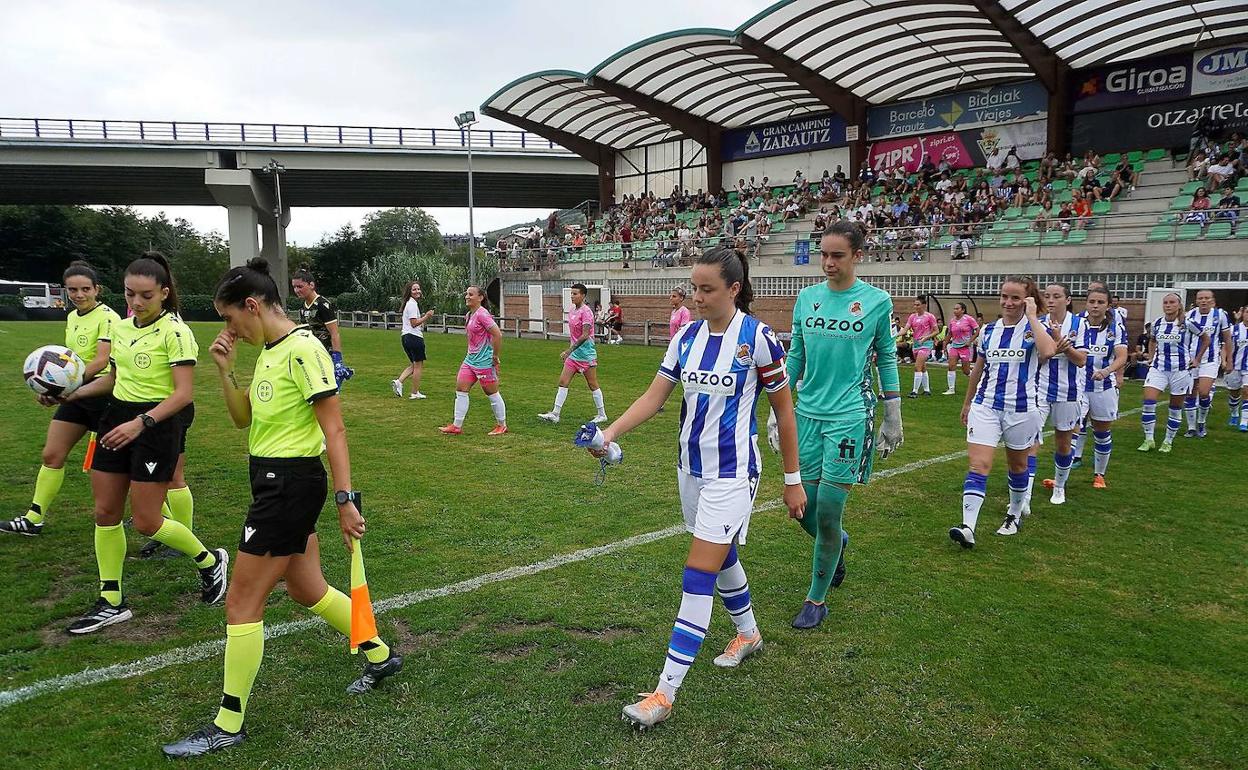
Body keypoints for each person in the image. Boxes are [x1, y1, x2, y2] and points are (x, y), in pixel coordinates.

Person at [162, 258, 402, 758]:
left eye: (231, 319)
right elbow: (240, 418)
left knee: (241, 603)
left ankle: (228, 724)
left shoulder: (302, 349)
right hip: (272, 482)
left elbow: (334, 429)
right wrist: (226, 372)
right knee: (305, 587)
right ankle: (378, 655)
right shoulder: (269, 351)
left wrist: (345, 499)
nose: (230, 330)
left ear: (252, 306)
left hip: (289, 487)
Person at [589, 245, 805, 729]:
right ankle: (748, 635)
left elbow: (784, 413)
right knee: (721, 553)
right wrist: (610, 434)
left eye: (707, 289)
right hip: (689, 469)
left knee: (697, 572)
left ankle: (664, 694)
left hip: (733, 474)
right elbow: (655, 397)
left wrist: (791, 480)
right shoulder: (685, 335)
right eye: (694, 287)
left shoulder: (761, 339)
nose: (697, 296)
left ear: (734, 289)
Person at [57, 253, 227, 633]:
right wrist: (71, 393)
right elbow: (113, 379)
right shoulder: (120, 328)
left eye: (145, 295)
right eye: (129, 294)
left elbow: (183, 394)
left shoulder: (175, 331)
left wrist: (142, 422)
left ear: (164, 293)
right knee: (105, 512)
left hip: (156, 424)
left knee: (148, 522)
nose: (135, 302)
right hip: (116, 418)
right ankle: (112, 599)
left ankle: (210, 560)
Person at [767, 221, 903, 628]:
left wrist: (892, 411)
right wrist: (779, 411)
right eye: (823, 254)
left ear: (857, 255)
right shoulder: (807, 298)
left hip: (850, 415)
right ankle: (837, 544)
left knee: (828, 509)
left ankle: (816, 598)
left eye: (837, 255)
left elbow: (887, 356)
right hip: (806, 414)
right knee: (801, 507)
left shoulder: (877, 301)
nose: (827, 263)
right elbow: (795, 358)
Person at [3, 261, 120, 536]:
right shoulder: (72, 317)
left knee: (126, 464)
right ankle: (34, 518)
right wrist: (54, 388)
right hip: (77, 394)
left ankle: (164, 521)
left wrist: (66, 388)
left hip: (104, 394)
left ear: (97, 289)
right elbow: (68, 360)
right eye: (73, 290)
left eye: (85, 289)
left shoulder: (108, 318)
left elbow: (102, 360)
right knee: (52, 454)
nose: (79, 295)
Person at [951, 276, 1055, 546]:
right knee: (979, 464)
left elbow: (1048, 352)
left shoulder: (1037, 328)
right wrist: (967, 402)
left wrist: (1032, 315)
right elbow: (978, 369)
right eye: (1004, 297)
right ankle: (968, 527)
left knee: (1018, 466)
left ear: (1027, 300)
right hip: (986, 406)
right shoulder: (988, 330)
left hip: (1022, 409)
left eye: (1015, 298)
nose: (1008, 303)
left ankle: (1014, 513)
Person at [1034, 284, 1088, 507]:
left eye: (1057, 296)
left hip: (1069, 391)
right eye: (1047, 296)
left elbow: (1081, 359)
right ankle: (1024, 492)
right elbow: (1036, 359)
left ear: (1067, 300)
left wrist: (1065, 347)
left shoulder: (1079, 323)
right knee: (1030, 439)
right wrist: (1054, 348)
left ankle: (1059, 486)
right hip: (1039, 389)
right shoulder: (1036, 324)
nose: (1051, 300)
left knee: (1063, 442)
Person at [1138, 293, 1211, 454]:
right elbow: (1152, 340)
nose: (1168, 305)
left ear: (1179, 305)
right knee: (1148, 402)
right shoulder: (1157, 323)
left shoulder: (1188, 323)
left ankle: (1168, 441)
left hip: (1181, 370)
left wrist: (1197, 359)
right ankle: (1149, 439)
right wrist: (1151, 358)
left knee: (1175, 407)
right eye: (1165, 302)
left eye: (1172, 302)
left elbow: (1206, 339)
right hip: (1159, 368)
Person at [1076, 287, 1129, 488]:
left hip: (1104, 386)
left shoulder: (1115, 328)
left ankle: (1099, 474)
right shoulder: (1077, 324)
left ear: (1108, 305)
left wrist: (1107, 371)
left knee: (1101, 431)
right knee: (1073, 428)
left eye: (1100, 302)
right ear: (1086, 303)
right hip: (1079, 386)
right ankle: (1062, 478)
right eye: (1092, 302)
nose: (1095, 306)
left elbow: (1122, 356)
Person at [439, 286, 507, 436]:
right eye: (466, 294)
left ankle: (501, 425)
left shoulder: (483, 315)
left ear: (481, 297)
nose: (467, 297)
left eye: (471, 294)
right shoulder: (469, 315)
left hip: (484, 362)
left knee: (492, 393)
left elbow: (498, 335)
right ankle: (457, 426)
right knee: (461, 389)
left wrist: (494, 357)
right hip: (470, 360)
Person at [538, 283, 607, 425]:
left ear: (583, 295)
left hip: (586, 354)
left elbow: (585, 335)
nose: (572, 296)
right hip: (574, 355)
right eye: (571, 293)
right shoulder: (571, 310)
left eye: (575, 294)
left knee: (592, 384)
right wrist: (571, 352)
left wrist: (569, 350)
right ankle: (555, 414)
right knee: (563, 382)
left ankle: (602, 414)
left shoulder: (586, 312)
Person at [1182, 290, 1233, 437]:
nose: (1204, 301)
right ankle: (1191, 428)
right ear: (1196, 301)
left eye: (1207, 298)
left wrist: (1229, 360)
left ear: (1212, 300)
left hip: (1210, 360)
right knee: (1190, 394)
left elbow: (1227, 339)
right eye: (1200, 298)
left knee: (1204, 392)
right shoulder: (1190, 315)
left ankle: (1201, 423)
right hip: (1190, 360)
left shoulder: (1220, 315)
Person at [291, 266, 352, 387]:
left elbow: (334, 333)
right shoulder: (303, 307)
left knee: (328, 392)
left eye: (300, 286)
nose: (296, 290)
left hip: (325, 356)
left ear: (311, 285)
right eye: (294, 287)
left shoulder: (323, 305)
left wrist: (337, 360)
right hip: (311, 355)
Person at [391, 280, 434, 400]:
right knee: (419, 366)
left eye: (418, 289)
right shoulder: (412, 304)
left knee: (414, 364)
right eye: (414, 289)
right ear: (410, 292)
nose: (417, 291)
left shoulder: (409, 304)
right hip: (414, 337)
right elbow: (414, 323)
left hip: (406, 337)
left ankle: (399, 381)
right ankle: (415, 392)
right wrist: (427, 316)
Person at [904, 297, 939, 396]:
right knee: (922, 367)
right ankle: (927, 390)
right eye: (915, 305)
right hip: (916, 344)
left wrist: (926, 337)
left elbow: (936, 331)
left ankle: (914, 391)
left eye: (918, 305)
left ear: (924, 305)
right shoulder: (912, 317)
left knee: (917, 366)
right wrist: (895, 334)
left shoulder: (930, 316)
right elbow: (906, 328)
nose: (916, 307)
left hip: (926, 344)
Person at [943, 302, 979, 395]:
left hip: (965, 347)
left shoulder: (969, 319)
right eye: (954, 309)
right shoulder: (952, 321)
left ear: (963, 310)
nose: (955, 311)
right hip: (954, 346)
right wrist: (945, 343)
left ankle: (978, 383)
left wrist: (970, 341)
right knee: (951, 366)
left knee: (966, 370)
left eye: (957, 309)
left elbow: (977, 330)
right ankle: (951, 389)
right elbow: (950, 333)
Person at [1226, 307, 1248, 431]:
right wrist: (1225, 361)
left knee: (1246, 391)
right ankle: (1234, 413)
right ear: (1243, 314)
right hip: (1235, 366)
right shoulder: (1234, 329)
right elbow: (1226, 347)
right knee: (1234, 393)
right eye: (1247, 312)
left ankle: (1244, 422)